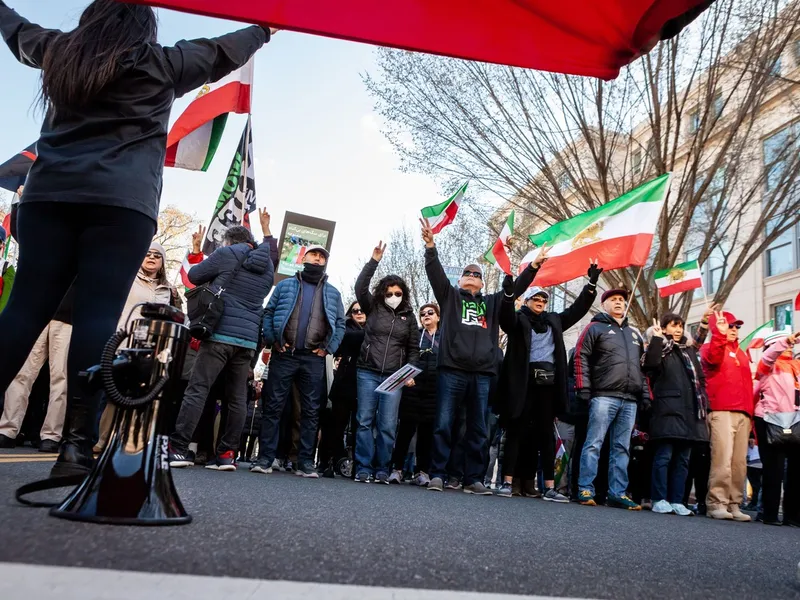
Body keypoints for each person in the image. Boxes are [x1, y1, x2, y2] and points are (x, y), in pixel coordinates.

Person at [0, 0, 273, 477]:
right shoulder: (163, 63)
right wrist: (265, 28)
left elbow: (16, 29)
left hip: (49, 197)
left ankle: (72, 442)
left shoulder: (59, 52)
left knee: (22, 310)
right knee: (99, 315)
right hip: (122, 203)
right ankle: (77, 447)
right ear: (144, 25)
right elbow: (222, 50)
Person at [419, 217, 526, 495]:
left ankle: (473, 478)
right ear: (460, 278)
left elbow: (515, 290)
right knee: (443, 424)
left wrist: (533, 268)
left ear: (481, 282)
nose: (472, 276)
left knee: (477, 429)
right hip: (451, 370)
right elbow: (435, 273)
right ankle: (438, 474)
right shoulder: (450, 297)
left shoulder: (491, 303)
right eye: (468, 272)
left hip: (481, 375)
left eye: (477, 274)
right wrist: (431, 247)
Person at [169, 216, 277, 471]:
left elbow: (195, 276)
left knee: (198, 390)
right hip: (248, 340)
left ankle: (178, 448)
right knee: (237, 398)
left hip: (219, 334)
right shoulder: (268, 266)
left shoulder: (227, 253)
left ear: (229, 241)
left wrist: (203, 256)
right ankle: (227, 454)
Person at [495, 257, 600, 501]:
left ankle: (550, 487)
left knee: (545, 434)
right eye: (536, 299)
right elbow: (505, 318)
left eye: (544, 299)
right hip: (522, 384)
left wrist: (590, 286)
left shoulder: (553, 320)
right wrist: (509, 296)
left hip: (548, 386)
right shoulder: (519, 320)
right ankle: (507, 482)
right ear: (528, 301)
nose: (541, 302)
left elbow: (576, 311)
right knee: (516, 431)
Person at [252, 245, 346, 478]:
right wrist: (273, 339)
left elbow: (341, 323)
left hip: (314, 358)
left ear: (325, 262)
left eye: (321, 256)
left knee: (311, 411)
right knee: (273, 407)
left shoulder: (333, 292)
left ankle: (305, 462)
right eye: (313, 254)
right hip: (284, 354)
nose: (317, 258)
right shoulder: (285, 285)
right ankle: (265, 458)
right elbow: (269, 312)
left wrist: (329, 348)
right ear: (304, 258)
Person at [95, 239, 183, 453]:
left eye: (157, 255)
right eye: (148, 253)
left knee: (140, 398)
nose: (152, 258)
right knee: (111, 395)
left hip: (151, 351)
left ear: (162, 263)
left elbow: (177, 319)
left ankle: (129, 445)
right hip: (121, 343)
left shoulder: (169, 291)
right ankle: (100, 441)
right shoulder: (127, 279)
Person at [353, 241, 421, 483]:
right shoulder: (373, 307)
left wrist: (409, 374)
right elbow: (360, 287)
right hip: (367, 372)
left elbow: (414, 349)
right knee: (364, 421)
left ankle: (382, 469)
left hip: (395, 376)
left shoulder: (409, 317)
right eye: (389, 293)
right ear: (383, 293)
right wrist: (374, 261)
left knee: (387, 425)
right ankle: (363, 467)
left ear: (404, 294)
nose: (393, 297)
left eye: (398, 293)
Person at [575, 288, 649, 510]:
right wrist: (583, 387)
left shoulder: (635, 334)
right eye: (613, 300)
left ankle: (617, 492)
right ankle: (585, 488)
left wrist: (645, 394)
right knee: (594, 443)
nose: (619, 303)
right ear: (604, 305)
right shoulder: (594, 328)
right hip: (602, 396)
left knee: (622, 447)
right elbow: (581, 356)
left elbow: (641, 368)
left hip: (629, 399)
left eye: (622, 300)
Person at [642, 313, 709, 516]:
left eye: (680, 325)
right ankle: (659, 498)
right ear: (664, 328)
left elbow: (701, 380)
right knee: (664, 456)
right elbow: (649, 365)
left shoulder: (688, 351)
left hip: (690, 412)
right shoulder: (660, 347)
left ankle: (677, 499)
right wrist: (655, 339)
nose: (678, 329)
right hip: (667, 410)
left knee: (683, 460)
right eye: (673, 325)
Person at [0, 287, 73, 453]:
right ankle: (7, 429)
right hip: (39, 315)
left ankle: (51, 435)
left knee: (60, 378)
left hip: (67, 316)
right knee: (22, 373)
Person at [701, 310, 753, 521]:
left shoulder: (741, 352)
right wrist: (718, 335)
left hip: (743, 412)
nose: (733, 329)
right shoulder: (711, 347)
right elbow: (712, 359)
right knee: (722, 459)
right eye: (729, 325)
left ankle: (734, 503)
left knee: (739, 463)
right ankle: (716, 503)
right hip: (721, 410)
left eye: (736, 327)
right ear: (718, 326)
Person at [752, 330, 800, 526]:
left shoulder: (796, 365)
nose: (790, 345)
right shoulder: (767, 366)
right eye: (786, 342)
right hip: (770, 421)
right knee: (774, 469)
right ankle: (769, 513)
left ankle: (793, 515)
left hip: (795, 421)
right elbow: (768, 356)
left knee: (797, 471)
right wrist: (784, 341)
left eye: (791, 342)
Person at [391, 303, 441, 486]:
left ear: (438, 316)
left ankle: (423, 472)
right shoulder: (415, 337)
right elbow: (404, 359)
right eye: (422, 314)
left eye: (430, 312)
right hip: (412, 389)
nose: (426, 315)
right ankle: (397, 469)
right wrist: (405, 378)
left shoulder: (445, 338)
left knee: (426, 435)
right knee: (405, 431)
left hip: (433, 392)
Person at [318, 301, 366, 477]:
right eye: (355, 310)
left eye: (363, 310)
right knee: (336, 425)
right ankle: (327, 461)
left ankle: (357, 464)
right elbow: (345, 340)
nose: (359, 312)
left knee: (360, 426)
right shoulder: (345, 327)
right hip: (345, 382)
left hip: (366, 383)